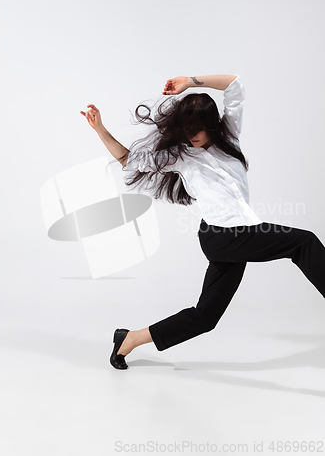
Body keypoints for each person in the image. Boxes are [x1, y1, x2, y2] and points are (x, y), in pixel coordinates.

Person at [81, 73, 325, 370]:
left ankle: (129, 339)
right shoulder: (180, 156)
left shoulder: (229, 137)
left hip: (239, 235)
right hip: (221, 236)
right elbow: (130, 161)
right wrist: (100, 129)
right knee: (303, 242)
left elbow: (235, 86)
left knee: (205, 317)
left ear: (212, 126)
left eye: (198, 129)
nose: (191, 135)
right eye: (186, 129)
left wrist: (191, 82)